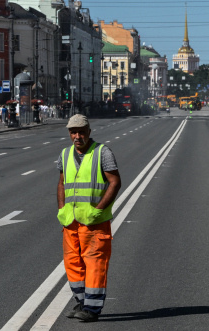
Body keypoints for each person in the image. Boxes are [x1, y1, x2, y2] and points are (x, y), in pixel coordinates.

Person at [57, 114, 121, 322]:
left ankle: (92, 309)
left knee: (94, 264)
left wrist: (99, 209)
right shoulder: (65, 154)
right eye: (73, 132)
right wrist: (62, 209)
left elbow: (115, 182)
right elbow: (61, 183)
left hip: (95, 222)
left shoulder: (102, 152)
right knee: (73, 263)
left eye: (81, 132)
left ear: (89, 132)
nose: (77, 136)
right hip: (71, 221)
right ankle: (82, 302)